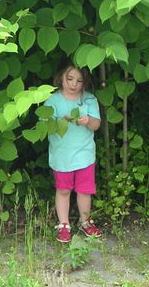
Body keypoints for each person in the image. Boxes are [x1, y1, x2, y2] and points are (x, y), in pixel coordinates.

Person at [43, 61, 102, 243]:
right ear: (61, 77)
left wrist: (88, 121)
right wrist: (58, 121)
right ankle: (64, 225)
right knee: (63, 190)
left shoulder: (89, 99)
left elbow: (96, 125)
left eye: (79, 80)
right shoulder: (52, 100)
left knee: (85, 191)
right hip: (62, 156)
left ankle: (85, 222)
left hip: (84, 155)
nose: (73, 84)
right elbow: (44, 125)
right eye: (69, 78)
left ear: (85, 83)